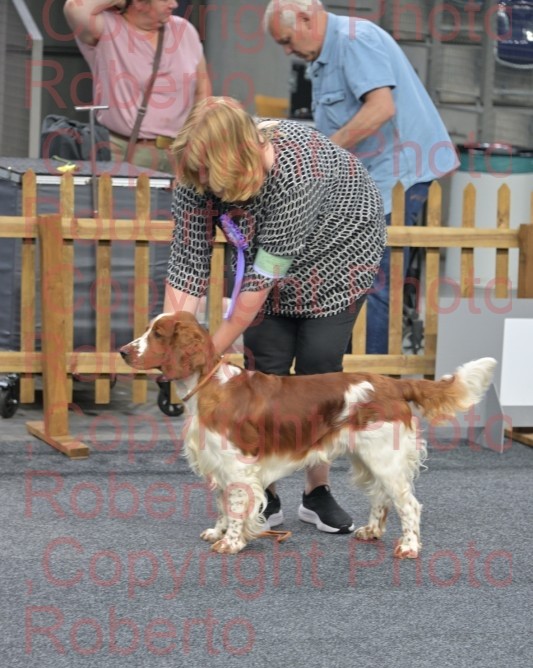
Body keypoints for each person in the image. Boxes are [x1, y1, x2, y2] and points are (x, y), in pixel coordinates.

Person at [163, 96, 387, 533]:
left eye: (208, 172)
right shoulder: (195, 176)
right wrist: (171, 342)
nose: (201, 181)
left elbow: (259, 285)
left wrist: (201, 357)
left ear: (235, 158)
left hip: (339, 257)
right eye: (196, 172)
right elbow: (187, 262)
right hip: (265, 256)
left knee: (319, 369)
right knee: (264, 366)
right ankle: (263, 492)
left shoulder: (298, 170)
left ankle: (317, 492)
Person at [264, 0, 459, 353]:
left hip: (397, 176)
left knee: (375, 282)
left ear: (306, 19)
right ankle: (356, 367)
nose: (287, 51)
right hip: (373, 178)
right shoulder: (323, 58)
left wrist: (321, 155)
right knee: (356, 277)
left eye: (287, 40)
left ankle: (372, 375)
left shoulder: (354, 39)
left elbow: (381, 108)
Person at [64, 0, 212, 173]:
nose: (174, 4)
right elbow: (74, 6)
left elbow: (202, 89)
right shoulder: (107, 28)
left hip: (179, 153)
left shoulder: (185, 31)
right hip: (125, 151)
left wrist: (198, 141)